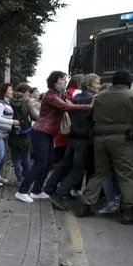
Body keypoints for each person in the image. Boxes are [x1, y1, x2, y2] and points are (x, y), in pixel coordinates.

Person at [78, 69, 133, 224]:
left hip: (100, 138)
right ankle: (128, 212)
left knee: (99, 172)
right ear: (128, 82)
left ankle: (85, 205)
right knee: (128, 174)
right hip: (123, 140)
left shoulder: (99, 97)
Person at [15, 71, 91, 203]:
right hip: (41, 132)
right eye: (62, 79)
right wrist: (89, 106)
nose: (65, 81)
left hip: (48, 133)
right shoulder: (51, 95)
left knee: (48, 163)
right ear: (55, 81)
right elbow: (66, 107)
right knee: (40, 163)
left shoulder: (58, 94)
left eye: (65, 79)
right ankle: (22, 191)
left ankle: (37, 191)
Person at [45, 74, 100, 210]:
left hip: (73, 137)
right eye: (97, 83)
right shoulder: (93, 99)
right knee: (78, 170)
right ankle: (58, 195)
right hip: (84, 139)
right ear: (89, 85)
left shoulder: (76, 98)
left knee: (64, 164)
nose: (99, 85)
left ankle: (48, 188)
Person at [0, 83, 20, 186]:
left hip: (5, 134)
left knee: (3, 156)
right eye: (10, 90)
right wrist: (12, 122)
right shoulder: (0, 104)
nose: (12, 92)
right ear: (4, 91)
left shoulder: (7, 103)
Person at [9, 83, 40, 185]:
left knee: (16, 158)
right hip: (25, 132)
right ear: (24, 91)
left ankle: (19, 180)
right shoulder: (26, 101)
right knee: (26, 157)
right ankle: (25, 179)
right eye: (28, 92)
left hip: (12, 132)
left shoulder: (10, 100)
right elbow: (34, 116)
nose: (29, 94)